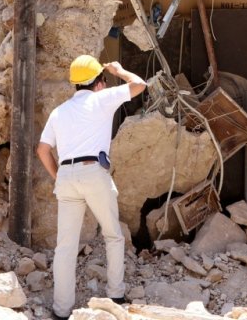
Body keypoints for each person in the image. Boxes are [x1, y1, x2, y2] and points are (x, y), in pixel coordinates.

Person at [36, 55, 145, 320]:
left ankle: (62, 311)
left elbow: (42, 150)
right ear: (98, 83)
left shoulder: (59, 111)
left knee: (65, 246)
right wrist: (119, 71)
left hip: (66, 176)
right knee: (113, 235)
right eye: (104, 81)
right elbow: (140, 84)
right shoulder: (101, 99)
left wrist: (58, 175)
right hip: (93, 172)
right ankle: (115, 295)